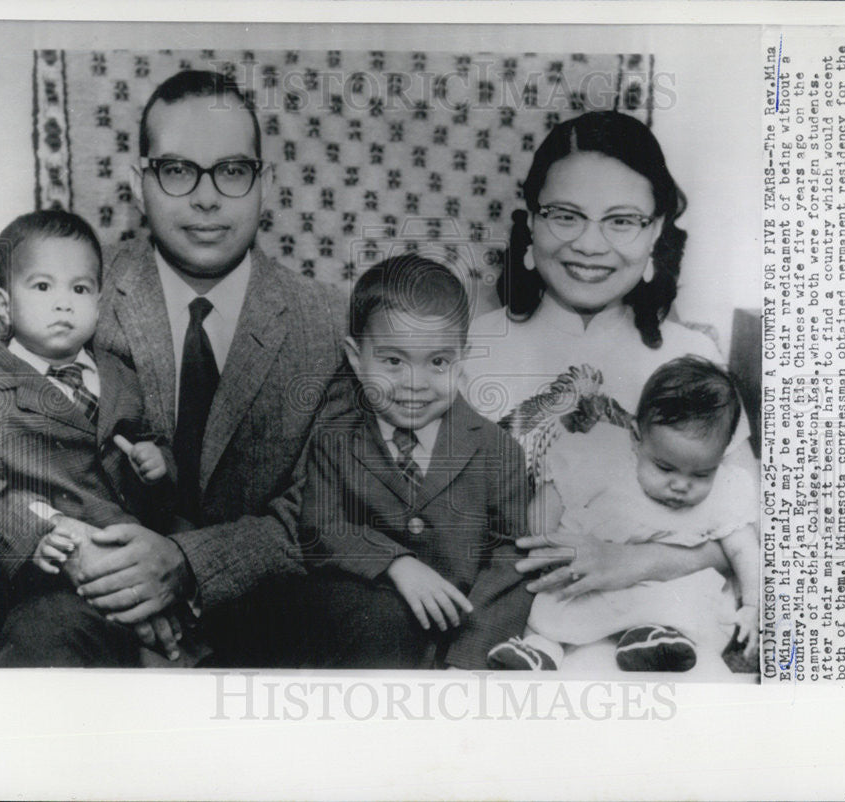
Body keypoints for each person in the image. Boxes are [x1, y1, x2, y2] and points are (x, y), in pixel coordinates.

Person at [52, 69, 347, 666]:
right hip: (92, 594)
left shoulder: (331, 322)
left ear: (264, 182)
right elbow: (3, 453)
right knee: (45, 637)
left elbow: (328, 506)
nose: (207, 198)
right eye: (178, 170)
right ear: (140, 182)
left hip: (270, 604)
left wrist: (189, 565)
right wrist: (86, 559)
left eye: (232, 171)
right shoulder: (71, 292)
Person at [462, 111, 758, 647]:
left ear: (657, 232)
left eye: (621, 221)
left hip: (665, 638)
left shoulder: (695, 360)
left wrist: (633, 560)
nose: (591, 245)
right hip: (500, 631)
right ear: (530, 221)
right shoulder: (466, 351)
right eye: (565, 216)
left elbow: (746, 526)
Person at [0, 209, 185, 667]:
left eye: (79, 289)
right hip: (40, 574)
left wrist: (158, 462)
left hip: (127, 549)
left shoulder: (119, 374)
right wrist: (34, 536)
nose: (64, 303)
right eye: (42, 287)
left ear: (99, 302)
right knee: (46, 637)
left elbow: (151, 441)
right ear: (4, 303)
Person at [298, 255, 531, 669]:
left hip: (459, 652)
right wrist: (395, 562)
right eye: (392, 361)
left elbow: (510, 562)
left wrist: (469, 659)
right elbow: (322, 527)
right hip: (361, 649)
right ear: (355, 357)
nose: (414, 384)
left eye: (438, 362)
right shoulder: (335, 438)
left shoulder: (499, 450)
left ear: (463, 357)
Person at [487, 357, 759, 672]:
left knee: (680, 604)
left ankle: (653, 642)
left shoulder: (726, 489)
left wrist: (753, 604)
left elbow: (745, 549)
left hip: (660, 595)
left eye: (701, 475)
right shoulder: (606, 460)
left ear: (722, 456)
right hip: (587, 584)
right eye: (664, 467)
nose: (681, 486)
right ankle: (539, 649)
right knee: (551, 608)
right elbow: (554, 495)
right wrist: (543, 541)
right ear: (635, 437)